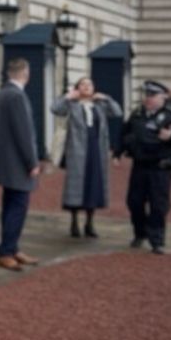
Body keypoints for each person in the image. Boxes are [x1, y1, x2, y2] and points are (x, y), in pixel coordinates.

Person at [0, 57, 42, 272]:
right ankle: (7, 251)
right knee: (17, 208)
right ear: (25, 74)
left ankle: (11, 247)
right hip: (18, 162)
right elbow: (24, 133)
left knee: (10, 206)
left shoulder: (1, 93)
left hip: (5, 160)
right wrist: (32, 161)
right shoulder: (17, 96)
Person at [50, 77, 123, 238]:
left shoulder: (100, 105)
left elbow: (118, 112)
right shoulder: (72, 105)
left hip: (96, 150)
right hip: (77, 151)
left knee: (94, 185)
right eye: (82, 84)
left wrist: (106, 98)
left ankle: (90, 222)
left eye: (89, 84)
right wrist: (67, 96)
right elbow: (55, 109)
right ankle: (74, 221)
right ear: (77, 88)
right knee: (77, 186)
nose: (86, 87)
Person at [120, 80, 171, 254]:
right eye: (146, 95)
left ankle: (157, 239)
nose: (148, 99)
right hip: (140, 166)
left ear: (162, 97)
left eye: (152, 95)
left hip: (160, 168)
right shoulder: (137, 114)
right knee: (134, 202)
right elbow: (124, 133)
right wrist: (118, 152)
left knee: (158, 205)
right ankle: (140, 233)